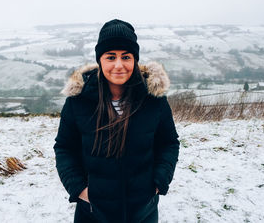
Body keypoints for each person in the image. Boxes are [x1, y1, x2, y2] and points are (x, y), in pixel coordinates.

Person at [54, 19, 179, 223]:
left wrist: (158, 182)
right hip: (93, 213)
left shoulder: (153, 100)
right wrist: (79, 189)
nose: (119, 65)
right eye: (111, 57)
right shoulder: (78, 102)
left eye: (126, 57)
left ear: (135, 60)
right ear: (100, 60)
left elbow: (169, 143)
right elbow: (64, 148)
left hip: (143, 212)